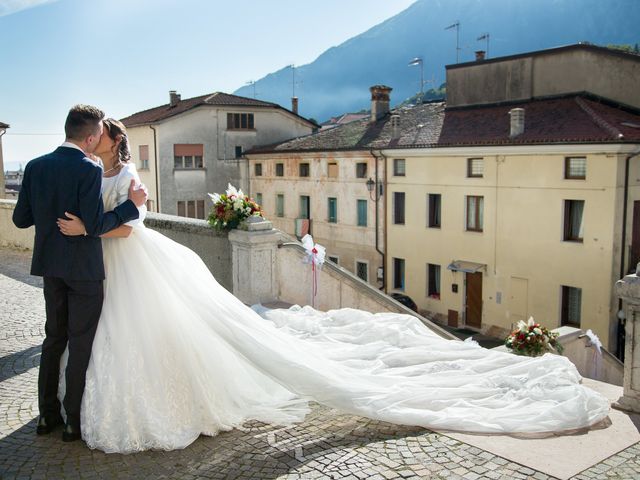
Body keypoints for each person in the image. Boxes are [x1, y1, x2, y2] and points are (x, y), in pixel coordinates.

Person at [57, 119, 611, 453]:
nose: (97, 139)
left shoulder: (130, 179)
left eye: (103, 134)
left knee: (154, 327)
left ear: (112, 140)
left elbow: (130, 222)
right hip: (108, 265)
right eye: (95, 133)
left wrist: (93, 227)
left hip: (132, 257)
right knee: (124, 332)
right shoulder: (91, 172)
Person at [12, 105, 148, 442]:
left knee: (53, 339)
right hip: (84, 271)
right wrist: (132, 206)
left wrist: (50, 215)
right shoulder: (89, 167)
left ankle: (46, 416)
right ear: (89, 138)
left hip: (50, 268)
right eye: (99, 133)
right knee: (80, 343)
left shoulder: (35, 166)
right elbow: (96, 225)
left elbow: (20, 220)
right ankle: (72, 421)